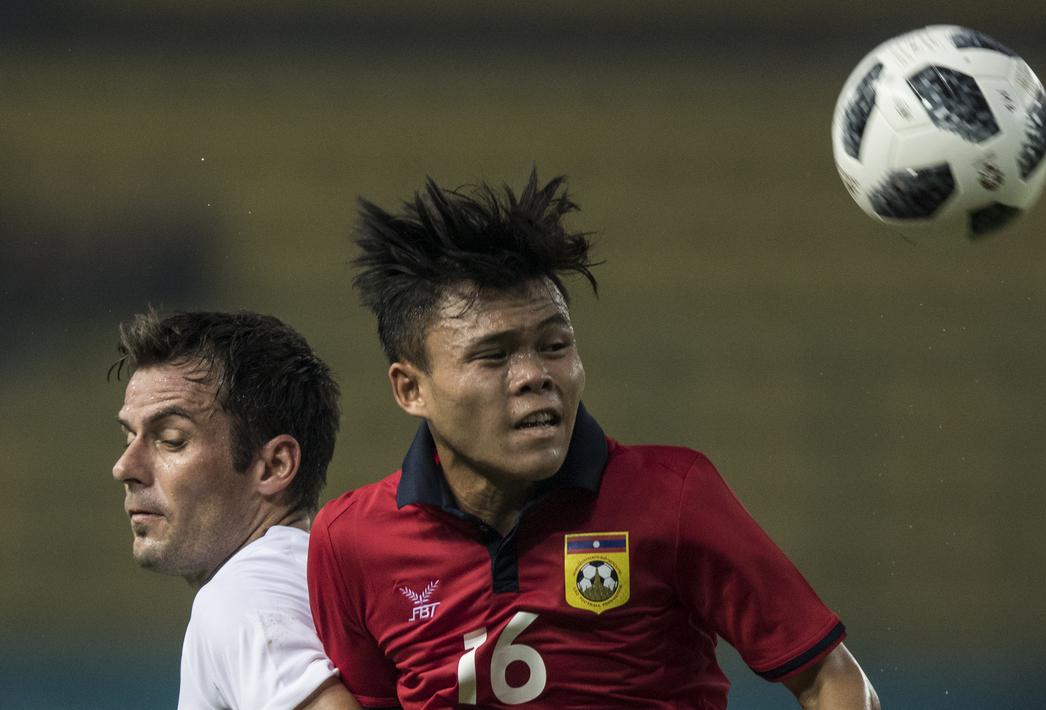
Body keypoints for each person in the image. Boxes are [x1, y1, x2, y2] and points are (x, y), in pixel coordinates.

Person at [307, 173, 880, 709]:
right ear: (411, 389)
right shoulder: (350, 542)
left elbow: (829, 677)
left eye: (554, 345)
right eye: (494, 355)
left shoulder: (674, 497)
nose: (535, 375)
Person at [112, 310, 360, 710]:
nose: (124, 467)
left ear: (274, 465)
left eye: (171, 439)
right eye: (128, 437)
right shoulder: (311, 579)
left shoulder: (242, 597)